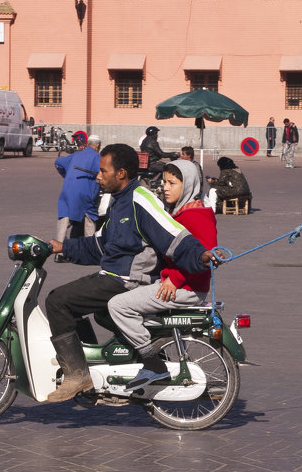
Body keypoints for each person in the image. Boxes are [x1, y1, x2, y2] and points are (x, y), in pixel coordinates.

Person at [43, 144, 219, 402]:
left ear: (121, 173)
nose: (98, 176)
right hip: (113, 277)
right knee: (74, 303)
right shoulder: (118, 203)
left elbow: (175, 237)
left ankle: (77, 375)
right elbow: (99, 245)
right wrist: (62, 247)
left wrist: (201, 256)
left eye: (103, 171)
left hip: (127, 282)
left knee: (57, 300)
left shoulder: (141, 199)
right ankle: (94, 370)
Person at [109, 159, 218, 388]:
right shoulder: (181, 211)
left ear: (187, 185)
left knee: (118, 305)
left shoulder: (196, 215)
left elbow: (202, 257)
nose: (165, 187)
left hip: (186, 288)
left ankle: (152, 363)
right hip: (179, 284)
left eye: (172, 183)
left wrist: (174, 279)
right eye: (164, 182)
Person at [53, 135, 102, 261]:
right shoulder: (97, 157)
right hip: (85, 192)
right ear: (97, 146)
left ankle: (58, 253)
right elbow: (101, 173)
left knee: (64, 218)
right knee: (90, 218)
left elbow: (58, 163)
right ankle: (90, 252)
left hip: (67, 190)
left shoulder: (76, 155)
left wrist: (65, 174)